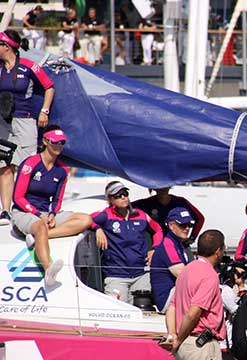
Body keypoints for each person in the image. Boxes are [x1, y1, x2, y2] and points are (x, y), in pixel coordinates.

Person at [11, 126, 92, 287]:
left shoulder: (62, 169)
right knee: (40, 226)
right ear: (45, 142)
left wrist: (53, 214)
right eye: (55, 142)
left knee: (85, 219)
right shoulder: (31, 163)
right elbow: (17, 197)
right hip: (24, 211)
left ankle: (39, 237)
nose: (59, 146)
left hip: (45, 212)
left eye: (62, 143)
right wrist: (38, 214)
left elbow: (57, 199)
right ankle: (49, 271)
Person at [162, 230, 228, 360]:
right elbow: (194, 312)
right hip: (200, 345)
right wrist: (178, 338)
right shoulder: (209, 275)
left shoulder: (187, 270)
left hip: (184, 345)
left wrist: (173, 335)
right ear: (218, 251)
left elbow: (172, 307)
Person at [0, 30, 55, 226]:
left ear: (7, 47)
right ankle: (6, 210)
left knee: (25, 166)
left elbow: (49, 87)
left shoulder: (28, 66)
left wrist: (44, 111)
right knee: (4, 167)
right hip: (3, 122)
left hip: (25, 120)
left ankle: (26, 208)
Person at [91, 181, 163, 303]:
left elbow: (158, 230)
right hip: (116, 276)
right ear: (110, 200)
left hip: (141, 274)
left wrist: (155, 248)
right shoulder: (106, 215)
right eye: (118, 196)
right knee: (119, 313)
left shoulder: (140, 215)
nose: (123, 197)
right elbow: (88, 220)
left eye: (125, 193)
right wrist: (97, 229)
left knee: (142, 312)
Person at [150, 207, 195, 311]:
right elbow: (183, 275)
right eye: (182, 225)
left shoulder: (179, 244)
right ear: (171, 225)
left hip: (177, 292)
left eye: (189, 225)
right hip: (167, 298)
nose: (187, 228)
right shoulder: (168, 245)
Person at [132, 187, 205, 242]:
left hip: (176, 242)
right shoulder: (147, 203)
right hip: (154, 243)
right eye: (160, 187)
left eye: (165, 186)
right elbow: (127, 206)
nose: (163, 189)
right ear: (154, 188)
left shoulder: (180, 202)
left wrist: (192, 238)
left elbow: (200, 218)